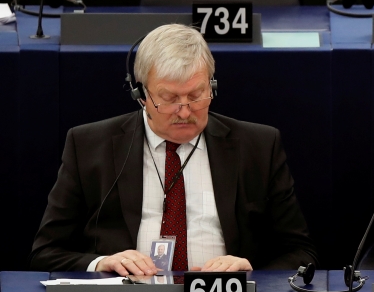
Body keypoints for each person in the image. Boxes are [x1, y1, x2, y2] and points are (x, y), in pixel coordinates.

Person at [30, 24, 318, 275]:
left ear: (212, 86)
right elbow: (46, 253)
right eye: (168, 99)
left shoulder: (258, 146)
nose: (184, 112)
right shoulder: (90, 146)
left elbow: (301, 253)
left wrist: (248, 270)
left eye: (196, 95)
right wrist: (101, 263)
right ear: (141, 95)